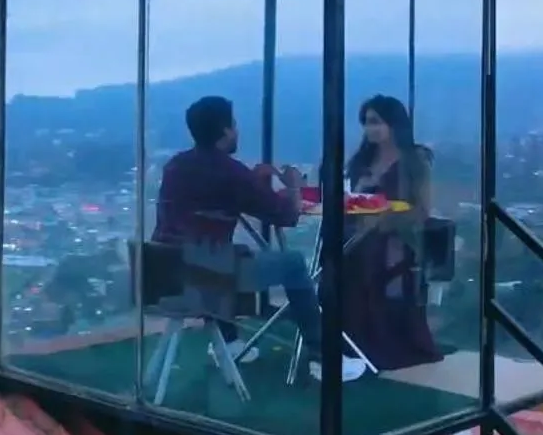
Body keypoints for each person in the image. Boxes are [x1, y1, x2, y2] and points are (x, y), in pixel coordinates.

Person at [152, 95, 364, 382]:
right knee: (292, 263)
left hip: (164, 276)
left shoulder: (175, 166)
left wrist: (252, 180)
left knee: (219, 254)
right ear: (225, 131)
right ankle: (324, 356)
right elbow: (285, 216)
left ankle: (229, 344)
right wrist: (293, 187)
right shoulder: (230, 172)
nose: (237, 131)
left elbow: (217, 193)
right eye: (234, 125)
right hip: (205, 278)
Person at [340, 94, 442, 372]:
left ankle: (379, 343)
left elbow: (421, 210)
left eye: (375, 122)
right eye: (366, 123)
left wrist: (384, 221)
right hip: (357, 233)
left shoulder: (414, 160)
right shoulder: (362, 160)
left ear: (393, 124)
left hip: (398, 237)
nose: (369, 129)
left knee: (370, 257)